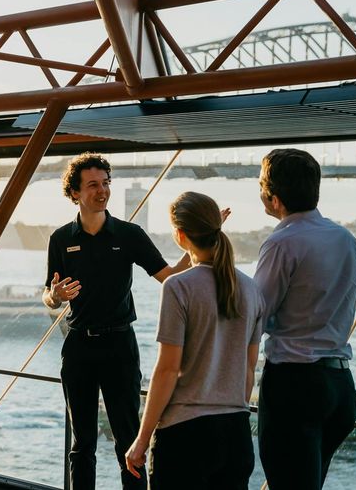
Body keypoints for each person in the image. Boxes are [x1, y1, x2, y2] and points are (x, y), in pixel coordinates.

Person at [42, 152, 192, 490]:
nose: (102, 190)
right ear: (75, 194)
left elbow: (169, 277)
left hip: (119, 346)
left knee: (128, 440)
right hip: (78, 345)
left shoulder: (129, 235)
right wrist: (56, 296)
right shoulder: (61, 239)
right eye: (93, 185)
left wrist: (199, 245)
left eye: (106, 183)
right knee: (82, 446)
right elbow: (49, 296)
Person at [124, 192, 263, 490]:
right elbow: (249, 370)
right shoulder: (252, 290)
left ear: (180, 234)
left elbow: (167, 370)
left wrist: (142, 439)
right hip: (236, 434)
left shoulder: (178, 286)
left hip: (185, 436)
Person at [254, 148, 356, 490]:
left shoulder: (282, 243)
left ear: (272, 198)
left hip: (294, 385)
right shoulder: (347, 240)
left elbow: (257, 314)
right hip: (340, 387)